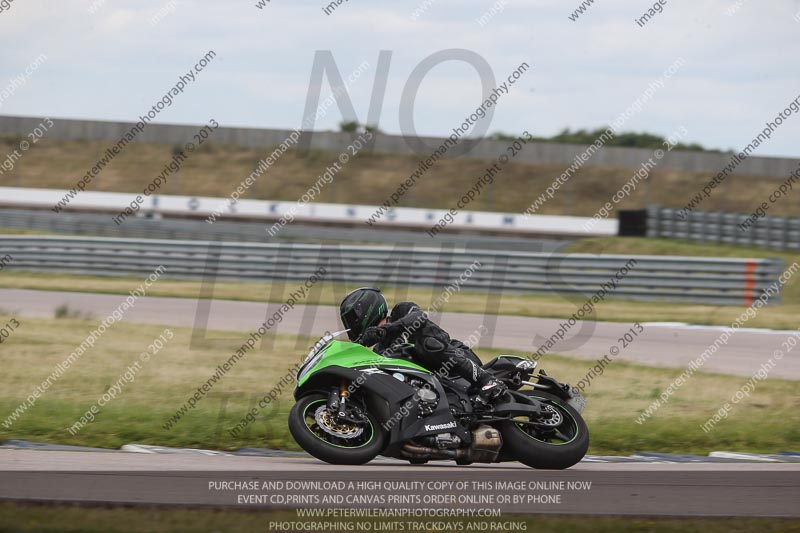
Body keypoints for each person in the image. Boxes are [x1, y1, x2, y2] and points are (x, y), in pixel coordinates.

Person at [339, 288, 507, 404]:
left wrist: (384, 331)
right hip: (437, 386)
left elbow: (418, 317)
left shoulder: (402, 310)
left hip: (457, 361)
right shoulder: (380, 351)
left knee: (427, 344)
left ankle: (487, 379)